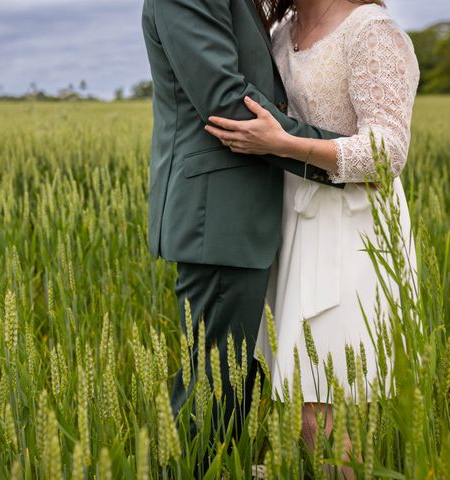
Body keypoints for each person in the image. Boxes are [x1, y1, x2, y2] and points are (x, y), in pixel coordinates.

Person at [204, 0, 419, 477]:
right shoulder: (282, 29)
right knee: (304, 398)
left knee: (317, 405)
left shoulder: (371, 31)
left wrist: (284, 145)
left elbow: (388, 151)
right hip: (295, 222)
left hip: (354, 229)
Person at [141, 0, 349, 456]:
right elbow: (225, 102)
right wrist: (344, 155)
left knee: (235, 386)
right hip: (217, 217)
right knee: (216, 390)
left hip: (245, 218)